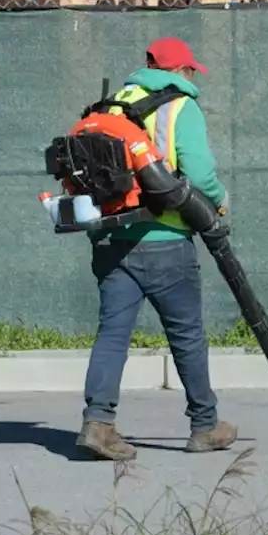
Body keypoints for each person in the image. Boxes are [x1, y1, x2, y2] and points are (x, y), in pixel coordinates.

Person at [75, 36, 237, 461]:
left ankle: (98, 423)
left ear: (147, 64)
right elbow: (199, 177)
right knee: (186, 335)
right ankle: (205, 426)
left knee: (112, 335)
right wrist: (219, 200)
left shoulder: (109, 106)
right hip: (166, 240)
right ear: (182, 71)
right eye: (189, 71)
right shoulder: (181, 106)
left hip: (112, 238)